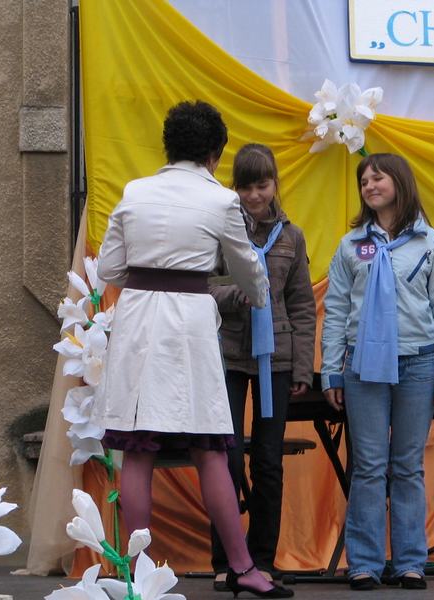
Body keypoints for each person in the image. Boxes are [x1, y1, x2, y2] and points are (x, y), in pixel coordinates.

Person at [91, 101, 293, 598]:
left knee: (137, 448)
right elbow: (249, 272)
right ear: (215, 154)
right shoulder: (220, 201)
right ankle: (242, 568)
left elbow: (109, 269)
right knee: (209, 447)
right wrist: (253, 292)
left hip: (138, 322)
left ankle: (135, 575)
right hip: (189, 327)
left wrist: (151, 275)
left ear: (168, 146)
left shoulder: (135, 192)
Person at [320, 153, 434, 591]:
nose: (369, 185)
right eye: (364, 180)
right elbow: (336, 310)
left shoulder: (431, 243)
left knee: (407, 466)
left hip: (418, 362)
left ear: (400, 182)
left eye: (377, 178)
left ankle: (410, 563)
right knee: (368, 465)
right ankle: (363, 563)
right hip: (363, 365)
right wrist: (331, 372)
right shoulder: (351, 246)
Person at [209, 144, 316, 590]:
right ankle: (226, 559)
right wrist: (237, 295)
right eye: (245, 186)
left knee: (269, 462)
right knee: (227, 459)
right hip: (230, 357)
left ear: (274, 184)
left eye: (262, 185)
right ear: (234, 188)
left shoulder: (292, 237)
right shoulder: (222, 230)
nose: (254, 195)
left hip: (278, 360)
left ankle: (263, 558)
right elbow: (204, 288)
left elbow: (303, 305)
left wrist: (304, 369)